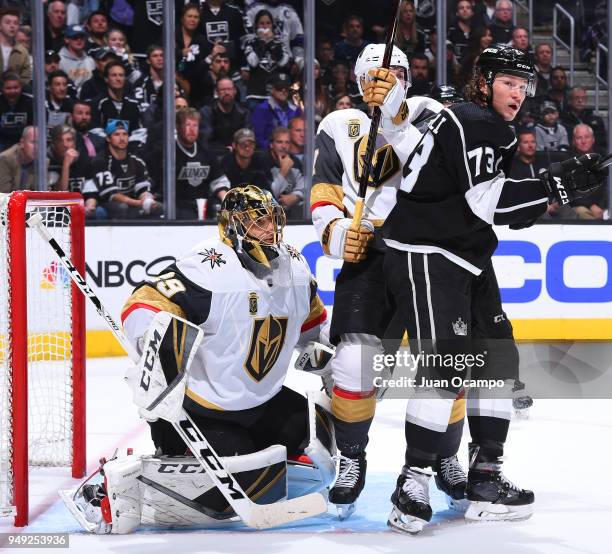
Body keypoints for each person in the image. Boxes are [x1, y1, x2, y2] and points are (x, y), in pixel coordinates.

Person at [370, 45, 606, 532]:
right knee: (449, 366)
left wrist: (550, 185)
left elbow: (495, 203)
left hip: (465, 251)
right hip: (428, 250)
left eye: (524, 87)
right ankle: (410, 483)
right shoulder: (479, 123)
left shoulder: (477, 120)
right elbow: (491, 204)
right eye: (509, 83)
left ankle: (485, 476)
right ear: (484, 80)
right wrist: (553, 187)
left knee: (497, 357)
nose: (518, 94)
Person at [67, 185, 334, 534]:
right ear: (233, 227)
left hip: (262, 402)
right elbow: (142, 304)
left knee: (318, 443)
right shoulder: (209, 268)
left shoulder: (295, 268)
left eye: (273, 220)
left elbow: (313, 327)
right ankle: (108, 485)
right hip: (200, 410)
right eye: (258, 223)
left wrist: (338, 359)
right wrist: (157, 355)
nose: (270, 231)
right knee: (241, 486)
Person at [311, 43, 468, 520]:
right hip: (371, 258)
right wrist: (337, 234)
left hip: (427, 255)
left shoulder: (433, 114)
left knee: (445, 362)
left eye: (399, 72)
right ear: (361, 81)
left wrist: (398, 113)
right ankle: (351, 458)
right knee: (355, 363)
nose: (391, 79)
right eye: (381, 74)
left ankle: (444, 456)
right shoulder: (338, 125)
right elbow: (324, 191)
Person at [147, 107, 230, 220]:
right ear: (178, 127)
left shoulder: (206, 151)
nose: (192, 130)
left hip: (201, 205)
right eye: (188, 125)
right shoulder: (166, 151)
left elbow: (218, 181)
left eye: (195, 125)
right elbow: (151, 182)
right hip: (174, 206)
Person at [92, 120, 161, 219]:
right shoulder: (100, 161)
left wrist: (146, 199)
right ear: (108, 138)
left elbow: (142, 188)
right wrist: (137, 203)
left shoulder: (137, 161)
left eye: (124, 134)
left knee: (158, 207)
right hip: (106, 204)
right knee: (122, 208)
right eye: (117, 134)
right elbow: (111, 195)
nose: (122, 138)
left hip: (133, 203)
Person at [47, 123, 103, 219]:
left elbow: (91, 191)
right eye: (60, 140)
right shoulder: (48, 161)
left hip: (81, 207)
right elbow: (58, 195)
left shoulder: (84, 160)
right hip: (56, 210)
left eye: (69, 140)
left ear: (74, 142)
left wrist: (90, 206)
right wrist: (66, 166)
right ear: (54, 144)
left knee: (100, 212)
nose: (65, 145)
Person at [243, 9, 292, 110]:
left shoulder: (279, 44)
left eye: (268, 23)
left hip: (276, 95)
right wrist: (262, 42)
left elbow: (283, 62)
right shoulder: (250, 43)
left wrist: (270, 42)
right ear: (256, 25)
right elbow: (253, 62)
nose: (265, 26)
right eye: (261, 23)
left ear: (272, 26)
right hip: (255, 96)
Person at [199, 77, 251, 154]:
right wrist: (225, 150)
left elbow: (247, 138)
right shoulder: (206, 112)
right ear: (216, 93)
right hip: (214, 155)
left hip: (238, 154)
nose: (226, 93)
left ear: (235, 91)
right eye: (222, 90)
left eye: (229, 89)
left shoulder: (244, 113)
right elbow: (206, 141)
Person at [252, 73, 302, 149]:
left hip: (293, 151)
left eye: (286, 88)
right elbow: (259, 138)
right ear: (272, 90)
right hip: (270, 152)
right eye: (279, 87)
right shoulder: (262, 109)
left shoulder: (295, 110)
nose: (283, 90)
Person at [91, 60, 141, 135]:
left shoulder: (133, 104)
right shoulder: (97, 103)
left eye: (121, 75)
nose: (118, 79)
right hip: (103, 145)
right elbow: (95, 131)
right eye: (114, 75)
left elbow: (138, 131)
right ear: (106, 79)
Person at [561, 86, 607, 151]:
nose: (580, 101)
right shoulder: (563, 120)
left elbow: (602, 143)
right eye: (577, 98)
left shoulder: (596, 120)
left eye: (583, 98)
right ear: (569, 101)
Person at [0, 70, 32, 151]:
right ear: (2, 89)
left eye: (16, 87)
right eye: (8, 88)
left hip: (24, 143)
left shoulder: (31, 100)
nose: (12, 91)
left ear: (21, 87)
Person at [0, 7, 31, 86]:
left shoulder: (23, 52)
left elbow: (25, 78)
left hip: (14, 94)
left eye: (16, 23)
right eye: (8, 22)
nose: (12, 26)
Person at [0, 125, 37, 192]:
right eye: (33, 142)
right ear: (22, 143)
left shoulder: (43, 162)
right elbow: (3, 194)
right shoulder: (5, 159)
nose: (37, 147)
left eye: (41, 143)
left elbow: (42, 192)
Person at [58, 24, 95, 89]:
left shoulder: (90, 61)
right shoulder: (60, 60)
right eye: (75, 37)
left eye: (82, 37)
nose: (79, 40)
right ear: (67, 39)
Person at [134, 45, 164, 113]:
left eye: (162, 55)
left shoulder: (172, 83)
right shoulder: (140, 83)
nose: (159, 59)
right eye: (155, 56)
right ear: (148, 60)